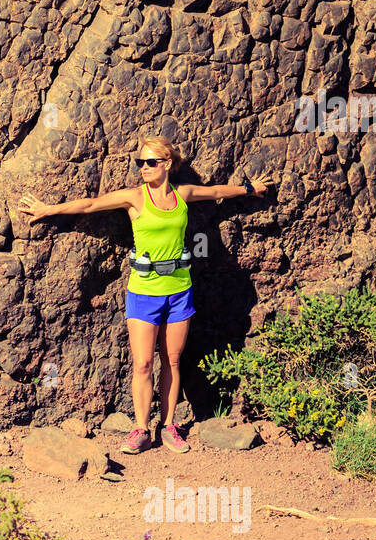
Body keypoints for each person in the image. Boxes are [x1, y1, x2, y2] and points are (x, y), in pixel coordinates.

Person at [18, 136, 275, 454]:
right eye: (140, 162)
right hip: (144, 293)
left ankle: (169, 427)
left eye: (150, 162)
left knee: (173, 360)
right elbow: (90, 205)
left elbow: (218, 192)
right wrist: (48, 210)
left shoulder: (183, 194)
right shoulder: (135, 198)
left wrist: (250, 189)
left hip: (179, 290)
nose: (144, 167)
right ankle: (140, 429)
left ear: (167, 164)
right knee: (142, 364)